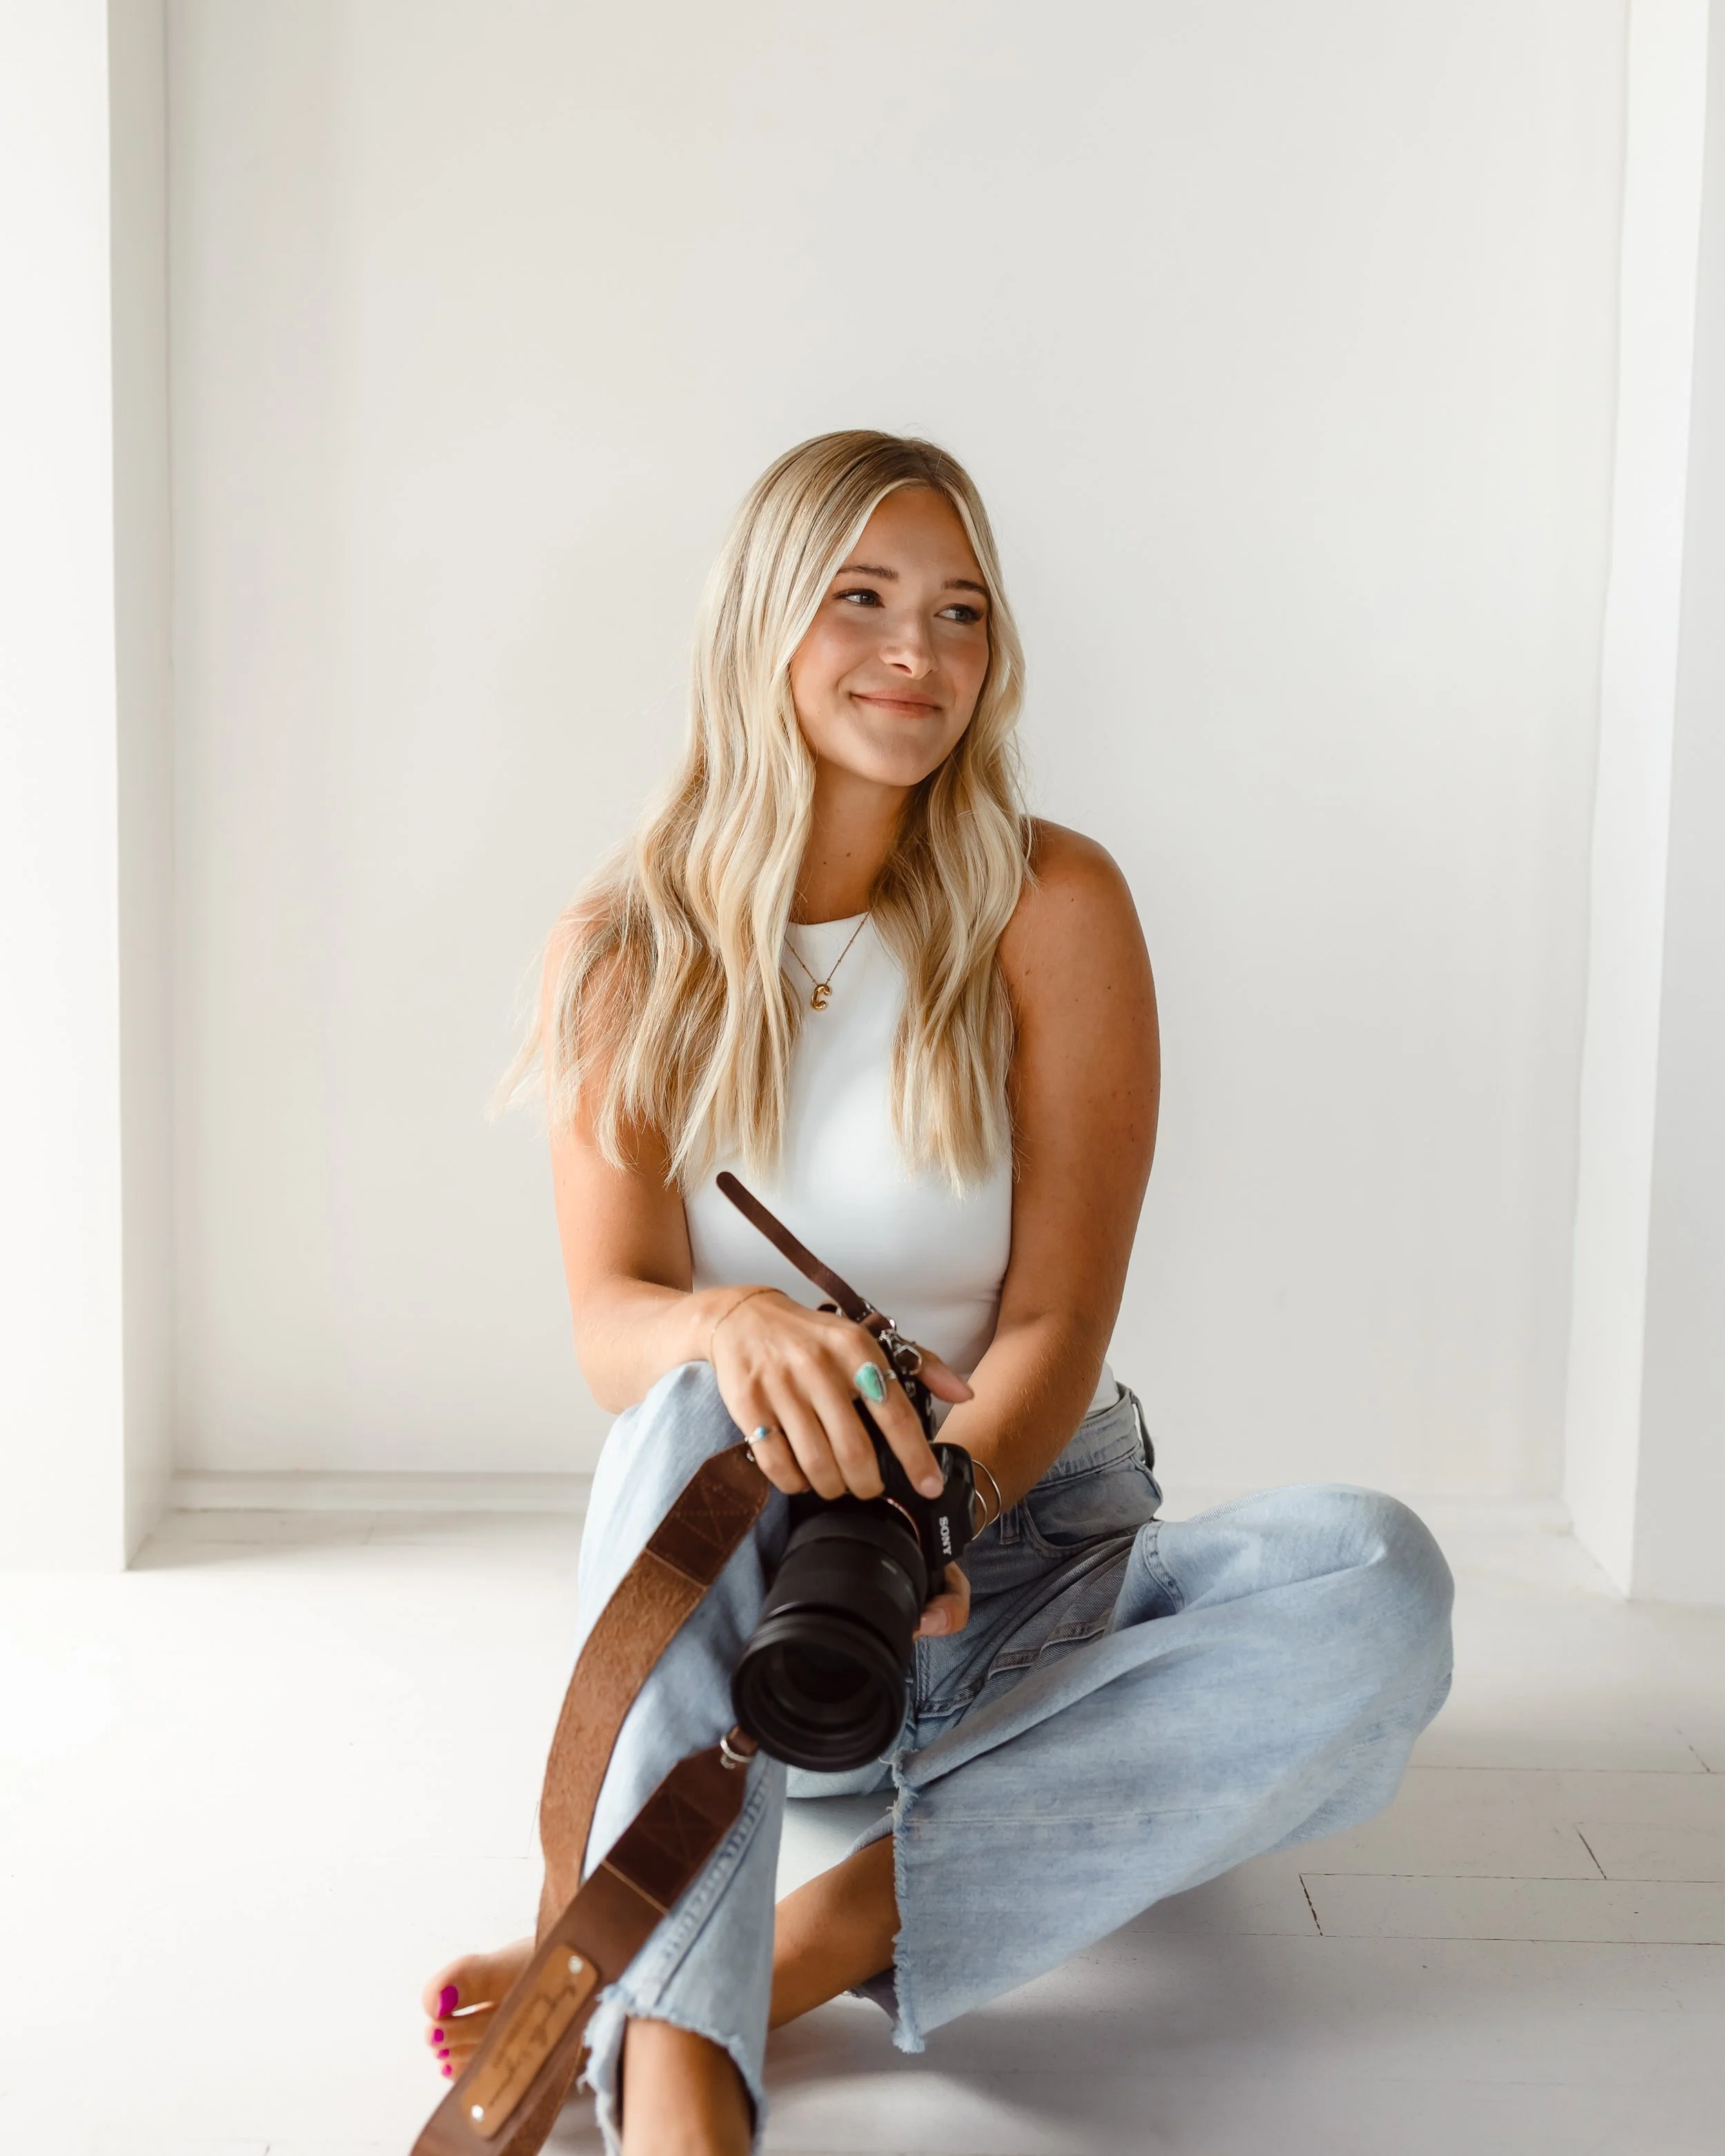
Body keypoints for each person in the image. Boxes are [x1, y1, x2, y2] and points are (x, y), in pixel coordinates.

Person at [418, 431, 1454, 2155]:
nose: (920, 650)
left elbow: (1055, 1315)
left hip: (1016, 1557)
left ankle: (771, 1943)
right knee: (683, 1402)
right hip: (756, 1600)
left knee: (1377, 1577)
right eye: (864, 598)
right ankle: (682, 2093)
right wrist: (720, 1322)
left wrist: (947, 1503)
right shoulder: (624, 948)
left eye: (960, 611)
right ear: (763, 623)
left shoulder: (1051, 904)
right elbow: (613, 1315)